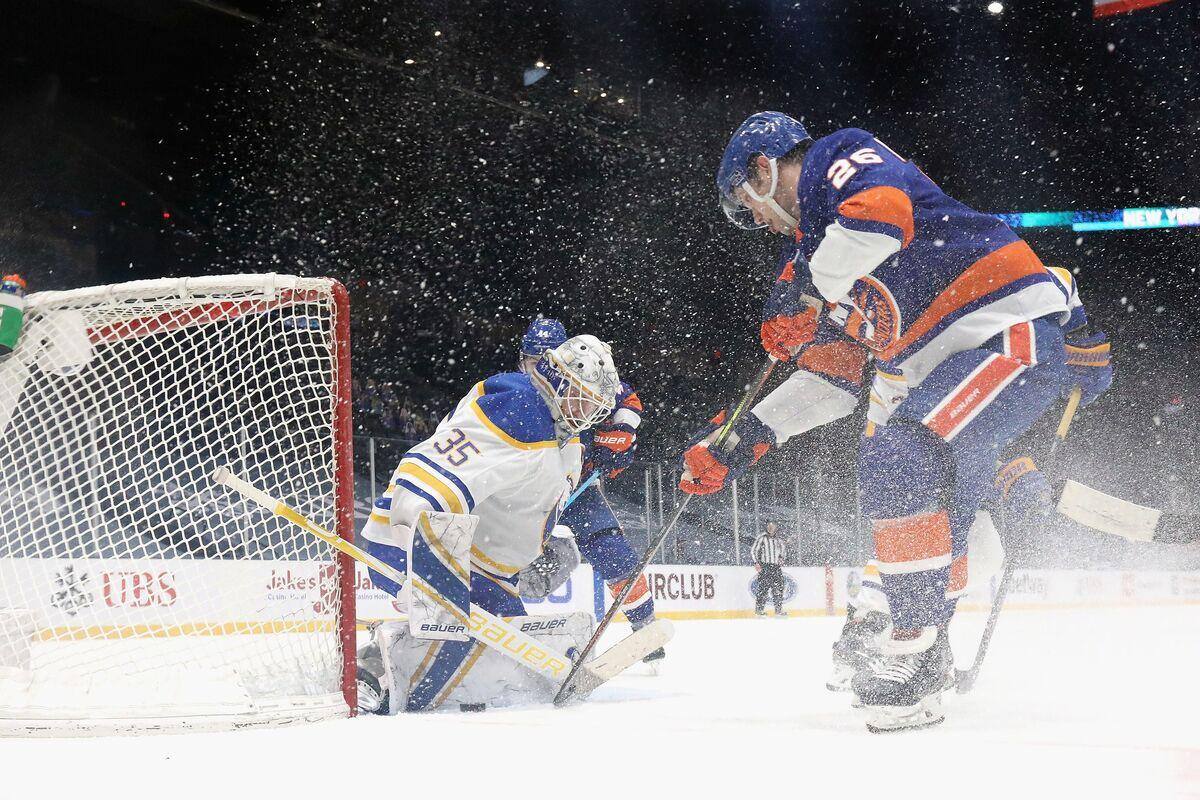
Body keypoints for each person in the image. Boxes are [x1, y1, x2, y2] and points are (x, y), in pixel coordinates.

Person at [682, 111, 1082, 732]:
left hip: (1004, 334)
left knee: (897, 458)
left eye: (747, 204)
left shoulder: (834, 158)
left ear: (763, 170)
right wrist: (740, 438)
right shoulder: (812, 261)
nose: (758, 222)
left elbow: (883, 217)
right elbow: (832, 383)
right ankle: (923, 646)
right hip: (941, 375)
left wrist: (811, 290)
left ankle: (910, 641)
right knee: (953, 528)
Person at [357, 334, 619, 712]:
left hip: (480, 569)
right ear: (559, 380)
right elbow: (428, 481)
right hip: (421, 549)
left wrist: (532, 552)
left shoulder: (562, 431)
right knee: (451, 666)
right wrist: (424, 565)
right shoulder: (520, 410)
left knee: (502, 670)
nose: (591, 411)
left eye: (596, 403)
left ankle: (390, 663)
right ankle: (374, 672)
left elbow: (521, 497)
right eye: (584, 397)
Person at [514, 317, 665, 668]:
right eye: (531, 362)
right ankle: (499, 622)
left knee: (613, 552)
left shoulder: (582, 380)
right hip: (523, 490)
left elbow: (623, 396)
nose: (537, 371)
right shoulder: (515, 390)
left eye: (544, 361)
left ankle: (645, 627)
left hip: (576, 487)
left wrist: (620, 435)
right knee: (506, 556)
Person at [750, 521, 789, 617]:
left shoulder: (779, 540)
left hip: (776, 567)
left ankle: (778, 611)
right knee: (763, 589)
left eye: (773, 526)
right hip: (765, 567)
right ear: (766, 528)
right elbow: (754, 550)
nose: (771, 528)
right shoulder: (762, 538)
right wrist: (756, 562)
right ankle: (759, 611)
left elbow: (783, 551)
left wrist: (782, 558)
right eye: (769, 526)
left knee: (779, 589)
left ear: (776, 528)